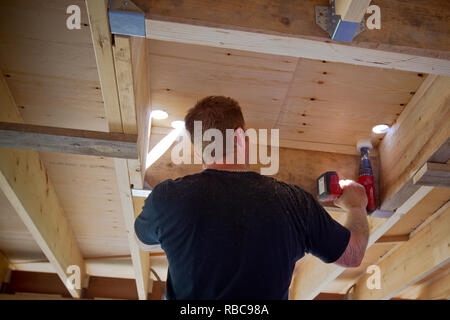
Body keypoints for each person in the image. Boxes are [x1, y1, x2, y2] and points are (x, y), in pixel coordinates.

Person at [134, 96, 369, 300]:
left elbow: (143, 242)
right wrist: (357, 206)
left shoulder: (168, 199)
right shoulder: (293, 202)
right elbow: (353, 254)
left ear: (198, 151)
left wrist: (179, 234)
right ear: (240, 137)